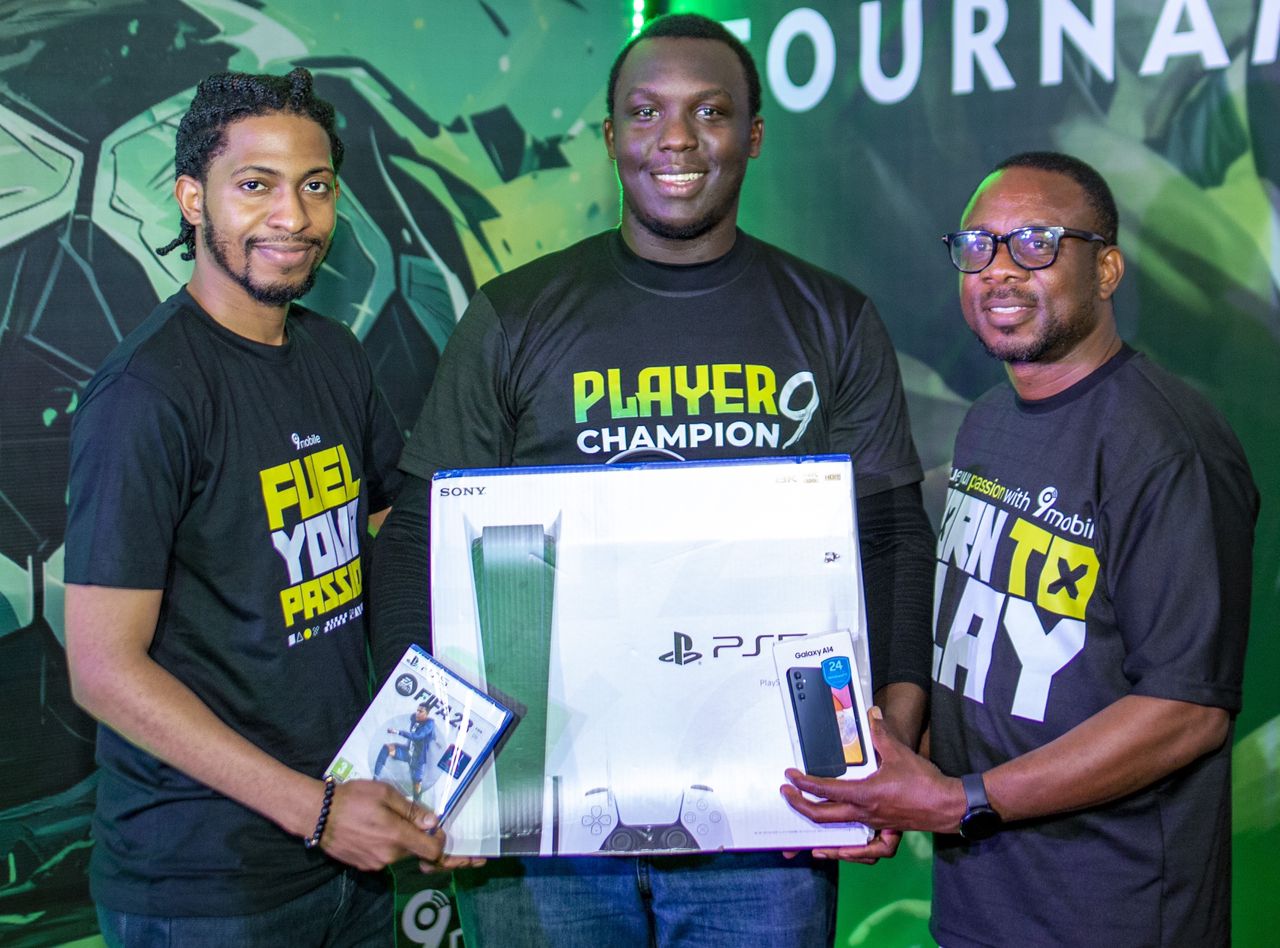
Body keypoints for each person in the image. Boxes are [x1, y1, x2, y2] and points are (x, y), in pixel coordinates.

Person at [371, 13, 935, 948]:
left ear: (753, 135)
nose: (676, 139)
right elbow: (416, 539)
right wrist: (426, 769)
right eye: (645, 112)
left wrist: (895, 742)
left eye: (710, 111)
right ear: (610, 136)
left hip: (769, 814)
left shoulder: (832, 318)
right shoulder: (514, 315)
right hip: (540, 820)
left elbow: (892, 536)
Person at [783, 151, 1259, 947]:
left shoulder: (1170, 448)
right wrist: (895, 780)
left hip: (1115, 917)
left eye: (1036, 243)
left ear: (1106, 269)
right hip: (981, 908)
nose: (999, 269)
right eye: (977, 246)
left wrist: (958, 801)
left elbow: (1187, 712)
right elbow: (987, 669)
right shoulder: (988, 422)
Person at [63, 68, 472, 948]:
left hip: (347, 850)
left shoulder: (334, 355)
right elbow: (101, 669)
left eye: (315, 186)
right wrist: (316, 811)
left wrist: (437, 780)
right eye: (255, 185)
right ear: (192, 199)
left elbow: (388, 541)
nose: (293, 215)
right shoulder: (145, 395)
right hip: (205, 886)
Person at [375, 703, 437, 802]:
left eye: (420, 711)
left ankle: (416, 804)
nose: (417, 713)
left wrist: (398, 732)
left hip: (418, 759)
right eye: (417, 710)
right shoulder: (414, 718)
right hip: (407, 752)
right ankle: (375, 779)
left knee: (416, 783)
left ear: (427, 714)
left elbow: (417, 736)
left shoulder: (429, 724)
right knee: (386, 748)